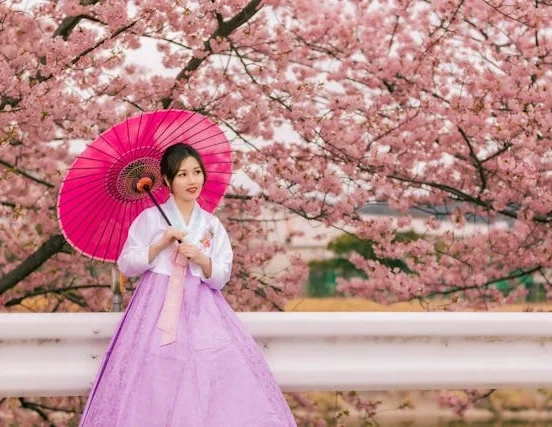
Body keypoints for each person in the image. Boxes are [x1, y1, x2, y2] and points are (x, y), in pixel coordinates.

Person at [79, 143, 297, 427]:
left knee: (212, 370)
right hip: (154, 306)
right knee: (153, 375)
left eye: (196, 172)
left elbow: (221, 276)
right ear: (167, 181)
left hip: (203, 308)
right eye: (182, 174)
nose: (192, 180)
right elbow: (127, 265)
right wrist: (160, 245)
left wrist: (201, 260)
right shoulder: (150, 219)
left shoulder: (211, 225)